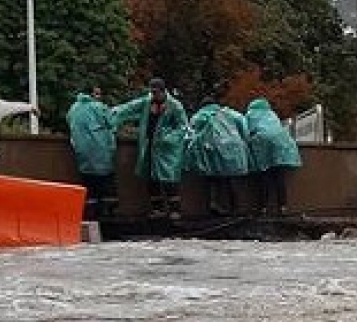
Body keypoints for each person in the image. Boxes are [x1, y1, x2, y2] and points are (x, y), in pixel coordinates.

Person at [112, 78, 188, 214]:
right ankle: (157, 209)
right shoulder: (147, 102)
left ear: (163, 91)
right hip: (149, 146)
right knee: (151, 178)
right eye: (152, 92)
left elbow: (182, 127)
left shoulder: (175, 106)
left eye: (156, 92)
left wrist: (168, 138)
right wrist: (112, 113)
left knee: (169, 179)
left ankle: (175, 211)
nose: (154, 95)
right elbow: (129, 108)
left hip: (167, 150)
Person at [186, 97, 249, 215]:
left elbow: (191, 132)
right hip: (233, 147)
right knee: (232, 178)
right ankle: (236, 208)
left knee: (212, 177)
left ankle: (214, 203)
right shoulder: (229, 112)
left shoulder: (200, 115)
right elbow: (243, 123)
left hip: (212, 148)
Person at [243, 98, 301, 216]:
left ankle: (263, 208)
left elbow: (246, 131)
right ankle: (283, 207)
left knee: (264, 176)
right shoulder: (272, 114)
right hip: (281, 140)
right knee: (279, 177)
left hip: (263, 141)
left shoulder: (250, 114)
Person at [66, 87, 117, 218]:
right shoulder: (99, 107)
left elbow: (69, 123)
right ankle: (107, 216)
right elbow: (112, 121)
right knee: (106, 187)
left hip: (82, 154)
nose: (99, 96)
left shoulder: (73, 108)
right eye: (97, 93)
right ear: (91, 94)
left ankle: (90, 215)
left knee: (89, 188)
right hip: (101, 153)